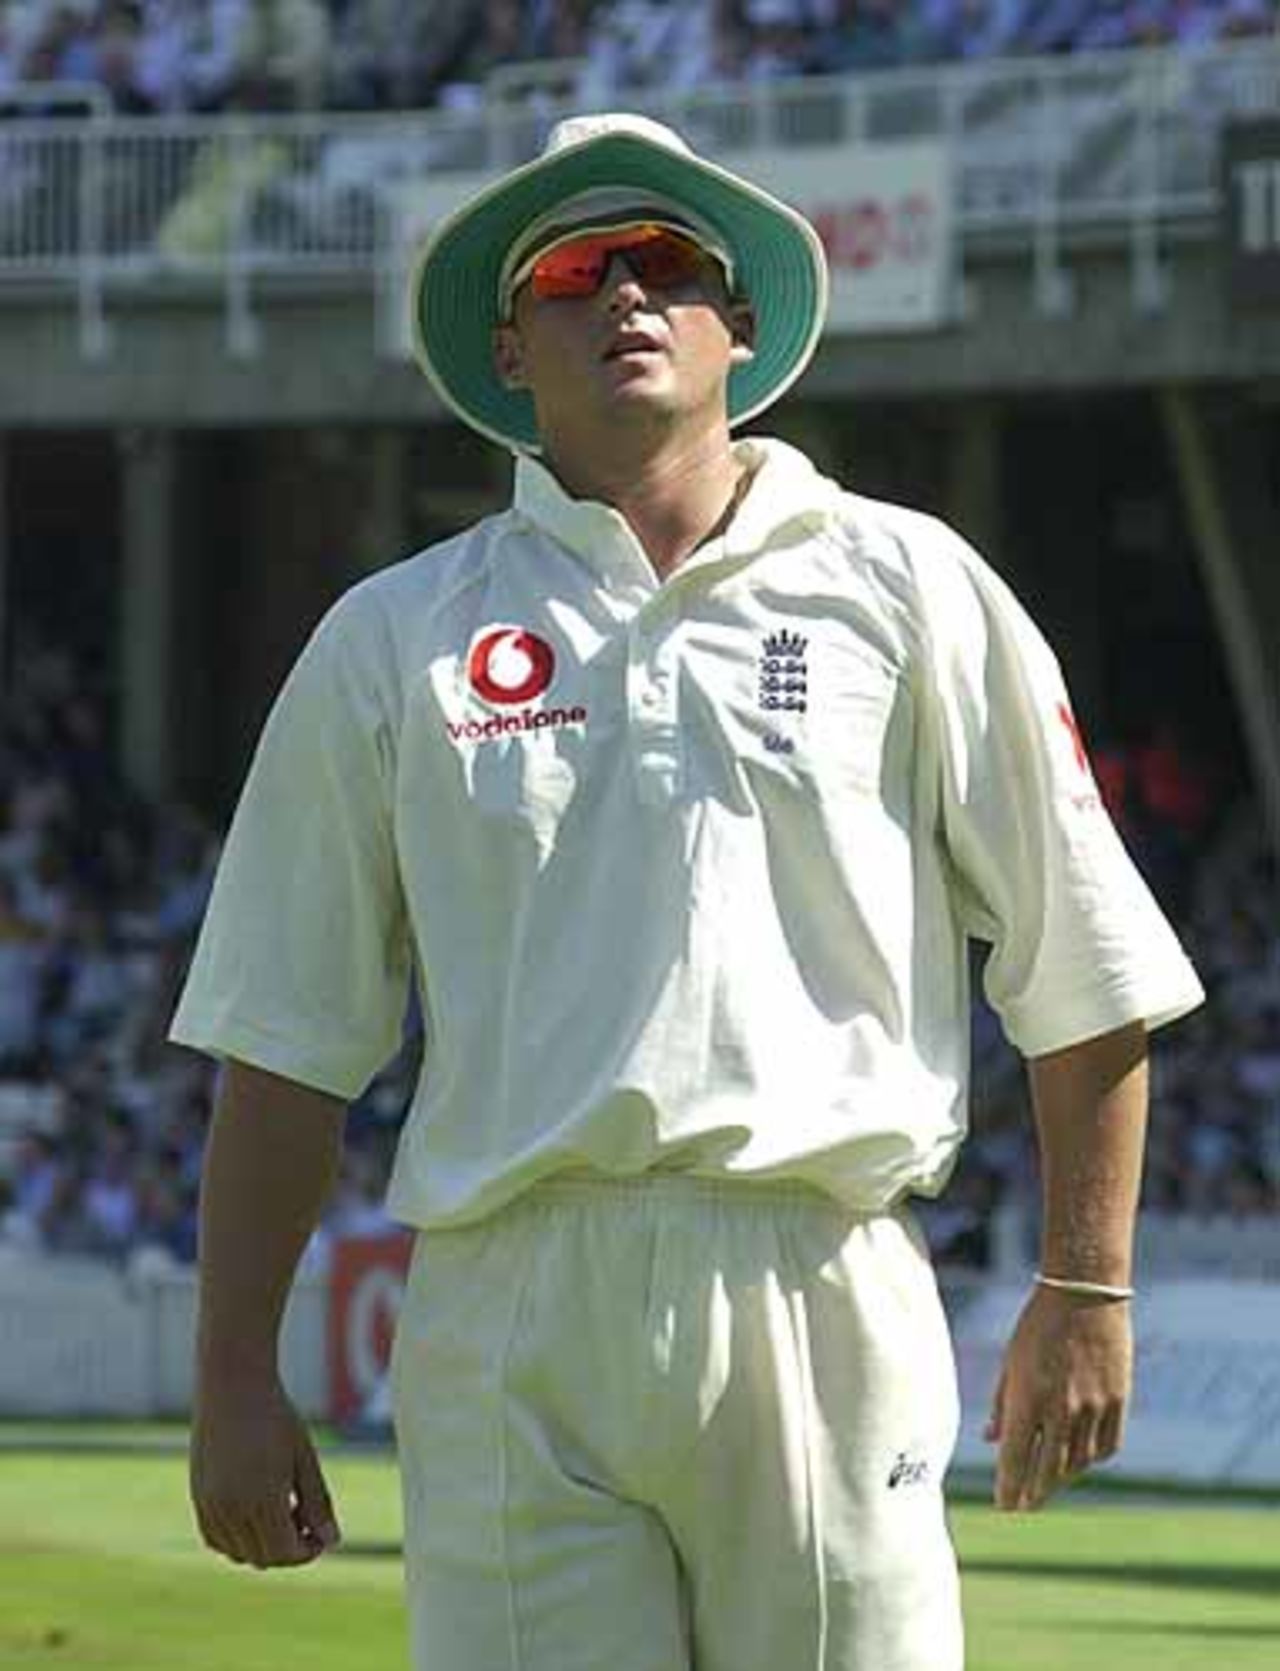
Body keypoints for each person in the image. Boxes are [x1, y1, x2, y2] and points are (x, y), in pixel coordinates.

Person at [174, 112, 1204, 1671]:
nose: (626, 296)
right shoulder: (392, 639)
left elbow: (1087, 960)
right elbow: (284, 1035)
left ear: (742, 323)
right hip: (510, 1303)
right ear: (511, 346)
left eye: (665, 263)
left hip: (820, 1272)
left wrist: (1087, 1285)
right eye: (578, 270)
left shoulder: (910, 582)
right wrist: (233, 1376)